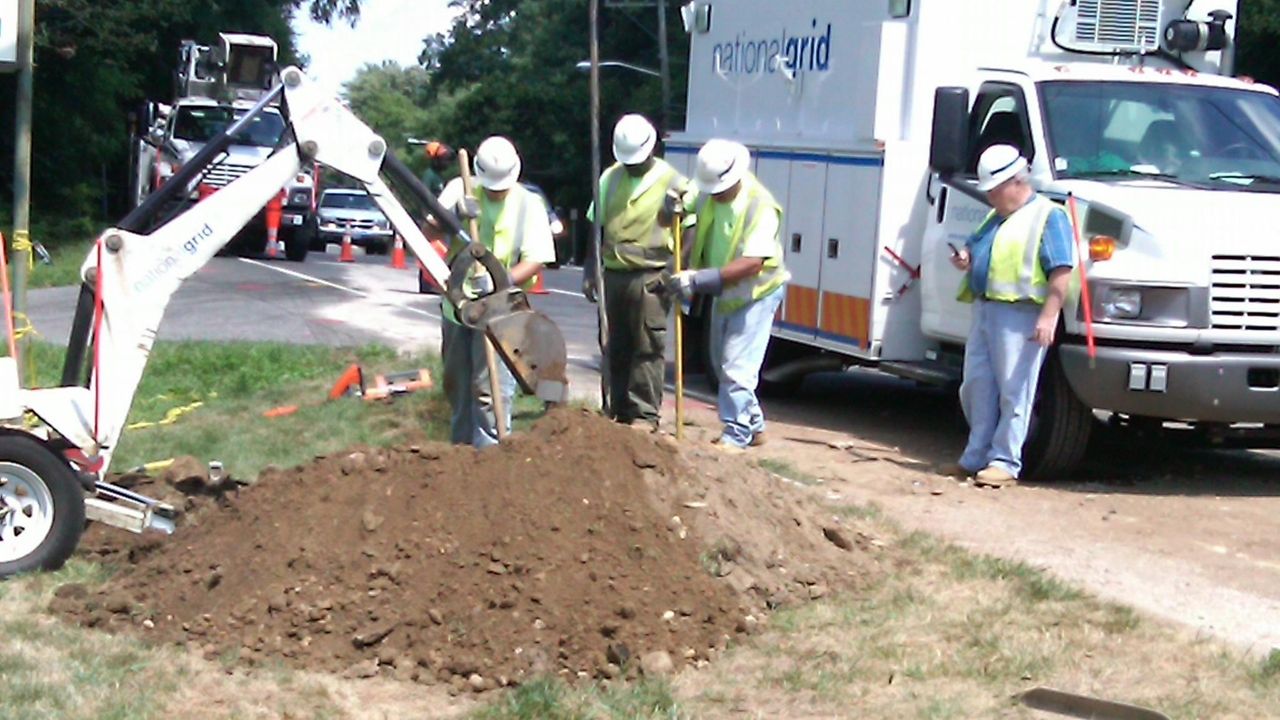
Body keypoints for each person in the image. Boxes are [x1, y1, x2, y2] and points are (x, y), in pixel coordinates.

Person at [948, 144, 1074, 484]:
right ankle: (975, 456)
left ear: (1016, 182)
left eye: (994, 190)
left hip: (1021, 315)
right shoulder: (997, 216)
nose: (990, 197)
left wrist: (1049, 316)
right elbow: (976, 248)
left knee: (1014, 390)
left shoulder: (1049, 216)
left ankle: (1005, 461)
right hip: (987, 309)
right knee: (978, 386)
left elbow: (1061, 270)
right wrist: (965, 258)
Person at [667, 139, 789, 451]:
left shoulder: (759, 206)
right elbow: (687, 196)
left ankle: (737, 434)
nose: (715, 194)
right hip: (727, 291)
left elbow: (753, 262)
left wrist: (699, 279)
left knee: (737, 368)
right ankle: (754, 425)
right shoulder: (709, 191)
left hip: (757, 292)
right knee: (730, 365)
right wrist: (674, 201)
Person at [438, 136, 556, 447]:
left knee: (490, 390)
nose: (495, 191)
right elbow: (428, 232)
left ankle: (490, 455)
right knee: (457, 385)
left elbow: (536, 259)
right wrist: (453, 217)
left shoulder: (528, 204)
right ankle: (460, 452)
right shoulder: (459, 189)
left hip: (502, 311)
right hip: (458, 308)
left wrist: (497, 280)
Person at [583, 114, 689, 430]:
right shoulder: (610, 177)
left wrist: (673, 271)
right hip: (614, 273)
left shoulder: (674, 182)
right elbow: (595, 223)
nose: (631, 165)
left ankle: (644, 415)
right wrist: (591, 268)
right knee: (613, 344)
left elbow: (690, 230)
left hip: (651, 275)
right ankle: (615, 410)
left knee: (647, 346)